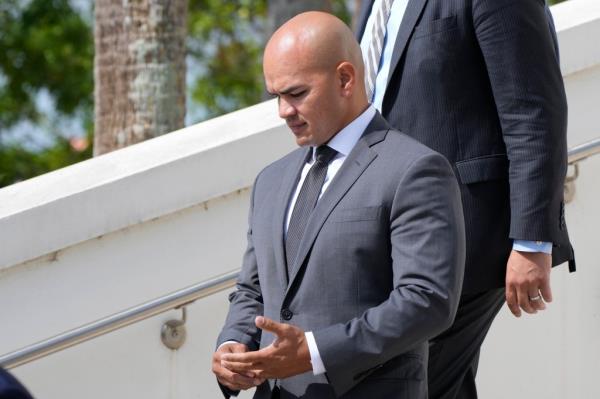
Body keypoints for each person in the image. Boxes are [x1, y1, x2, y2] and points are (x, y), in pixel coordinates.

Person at [211, 11, 466, 399]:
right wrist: (233, 345)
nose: (283, 111)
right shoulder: (270, 181)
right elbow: (253, 289)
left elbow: (426, 301)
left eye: (296, 94)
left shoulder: (414, 169)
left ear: (345, 78)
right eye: (276, 96)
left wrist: (315, 352)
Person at [356, 1, 576, 398]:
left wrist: (531, 240)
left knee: (410, 383)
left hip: (465, 238)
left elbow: (534, 112)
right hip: (391, 236)